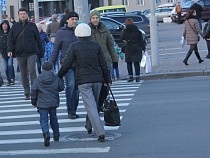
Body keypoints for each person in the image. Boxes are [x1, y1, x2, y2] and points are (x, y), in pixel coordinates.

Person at [58, 23, 111, 142]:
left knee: (91, 106)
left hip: (83, 81)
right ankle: (89, 125)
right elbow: (103, 63)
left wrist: (59, 76)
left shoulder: (74, 46)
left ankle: (100, 132)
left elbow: (67, 64)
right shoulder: (96, 45)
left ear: (77, 34)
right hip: (97, 80)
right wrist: (107, 79)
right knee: (93, 105)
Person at [7, 7, 44, 100]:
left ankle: (35, 91)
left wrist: (41, 53)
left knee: (32, 71)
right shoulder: (15, 27)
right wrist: (9, 50)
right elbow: (10, 39)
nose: (23, 15)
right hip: (19, 53)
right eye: (21, 14)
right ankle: (26, 91)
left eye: (24, 13)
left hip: (31, 52)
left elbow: (38, 40)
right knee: (23, 74)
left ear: (27, 15)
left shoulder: (32, 26)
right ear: (18, 15)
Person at [50, 11, 80, 119]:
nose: (74, 21)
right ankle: (70, 110)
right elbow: (56, 49)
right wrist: (51, 64)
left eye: (76, 19)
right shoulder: (61, 32)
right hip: (67, 64)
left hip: (79, 64)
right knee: (70, 86)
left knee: (77, 88)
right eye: (72, 19)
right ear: (67, 20)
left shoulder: (80, 30)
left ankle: (74, 109)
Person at [88, 10, 118, 112]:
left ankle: (101, 103)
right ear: (90, 19)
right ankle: (96, 105)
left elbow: (110, 45)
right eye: (93, 18)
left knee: (106, 85)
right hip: (93, 63)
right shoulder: (87, 30)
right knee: (96, 86)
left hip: (105, 61)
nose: (95, 20)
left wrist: (115, 59)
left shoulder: (105, 29)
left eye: (97, 18)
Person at [31, 61, 65, 146]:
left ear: (42, 69)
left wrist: (34, 102)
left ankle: (46, 133)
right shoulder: (55, 78)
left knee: (43, 119)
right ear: (52, 69)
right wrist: (61, 79)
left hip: (42, 104)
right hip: (53, 102)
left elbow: (34, 91)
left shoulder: (38, 79)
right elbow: (61, 88)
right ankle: (56, 135)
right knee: (54, 118)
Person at [121, 18, 146, 82]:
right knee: (136, 63)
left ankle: (131, 77)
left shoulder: (125, 31)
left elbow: (121, 38)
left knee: (129, 63)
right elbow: (141, 41)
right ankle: (137, 77)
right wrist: (144, 48)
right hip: (137, 48)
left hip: (129, 48)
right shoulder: (138, 31)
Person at [0, 20, 15, 86]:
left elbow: (12, 42)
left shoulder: (10, 33)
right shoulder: (0, 33)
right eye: (3, 24)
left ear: (8, 25)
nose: (4, 26)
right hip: (3, 53)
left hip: (10, 52)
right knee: (5, 68)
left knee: (10, 65)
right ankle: (8, 79)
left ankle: (12, 78)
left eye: (5, 24)